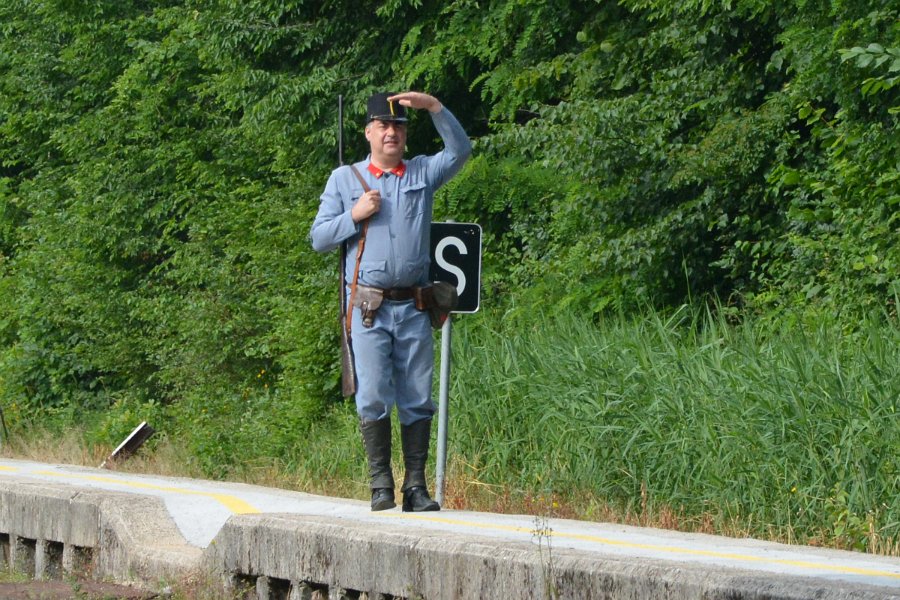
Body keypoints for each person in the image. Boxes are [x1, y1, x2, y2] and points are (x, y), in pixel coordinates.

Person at [310, 91, 472, 512]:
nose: (392, 133)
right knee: (374, 393)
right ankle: (380, 483)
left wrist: (435, 107)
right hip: (368, 308)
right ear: (368, 132)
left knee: (418, 394)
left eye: (399, 126)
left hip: (415, 306)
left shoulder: (421, 173)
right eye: (383, 126)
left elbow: (461, 150)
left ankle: (415, 488)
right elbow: (319, 238)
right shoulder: (344, 180)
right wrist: (354, 216)